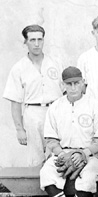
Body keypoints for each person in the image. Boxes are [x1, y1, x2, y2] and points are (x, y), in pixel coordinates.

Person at [40, 66, 98, 197]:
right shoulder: (55, 107)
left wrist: (83, 154)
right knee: (46, 173)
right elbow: (50, 139)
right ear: (63, 85)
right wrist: (62, 154)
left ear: (83, 82)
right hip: (62, 153)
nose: (74, 87)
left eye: (77, 83)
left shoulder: (94, 105)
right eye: (69, 84)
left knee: (90, 177)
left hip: (87, 154)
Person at [3, 24, 63, 167]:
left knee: (57, 153)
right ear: (25, 42)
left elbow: (66, 90)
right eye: (32, 40)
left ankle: (58, 188)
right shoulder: (19, 68)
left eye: (40, 40)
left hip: (55, 111)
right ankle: (38, 188)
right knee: (36, 157)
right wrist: (19, 129)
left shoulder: (55, 63)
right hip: (33, 113)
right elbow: (15, 101)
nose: (37, 44)